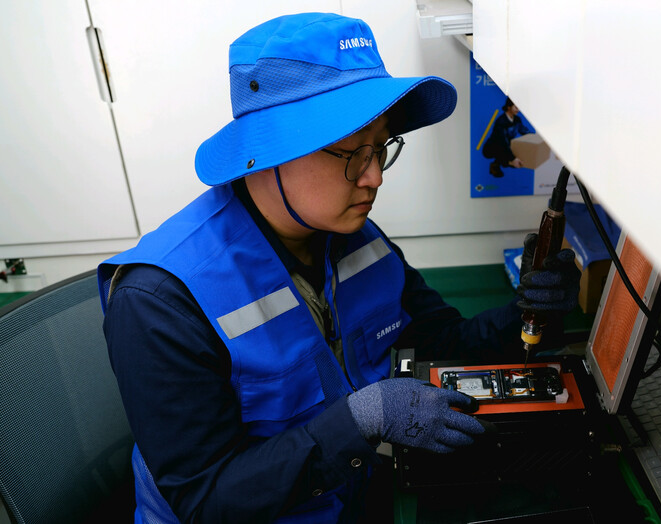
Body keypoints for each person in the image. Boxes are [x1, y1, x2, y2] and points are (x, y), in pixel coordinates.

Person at [98, 12, 580, 524]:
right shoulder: (161, 300)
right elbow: (207, 500)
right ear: (268, 149)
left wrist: (531, 314)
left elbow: (441, 343)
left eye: (381, 148)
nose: (374, 177)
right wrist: (360, 422)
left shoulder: (353, 237)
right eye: (352, 152)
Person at [482, 97, 532, 177]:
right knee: (509, 159)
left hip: (506, 145)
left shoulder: (517, 119)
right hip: (493, 147)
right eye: (516, 107)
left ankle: (505, 161)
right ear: (509, 107)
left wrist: (534, 137)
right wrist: (513, 158)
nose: (518, 110)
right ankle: (495, 165)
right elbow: (503, 142)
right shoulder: (500, 122)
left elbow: (523, 130)